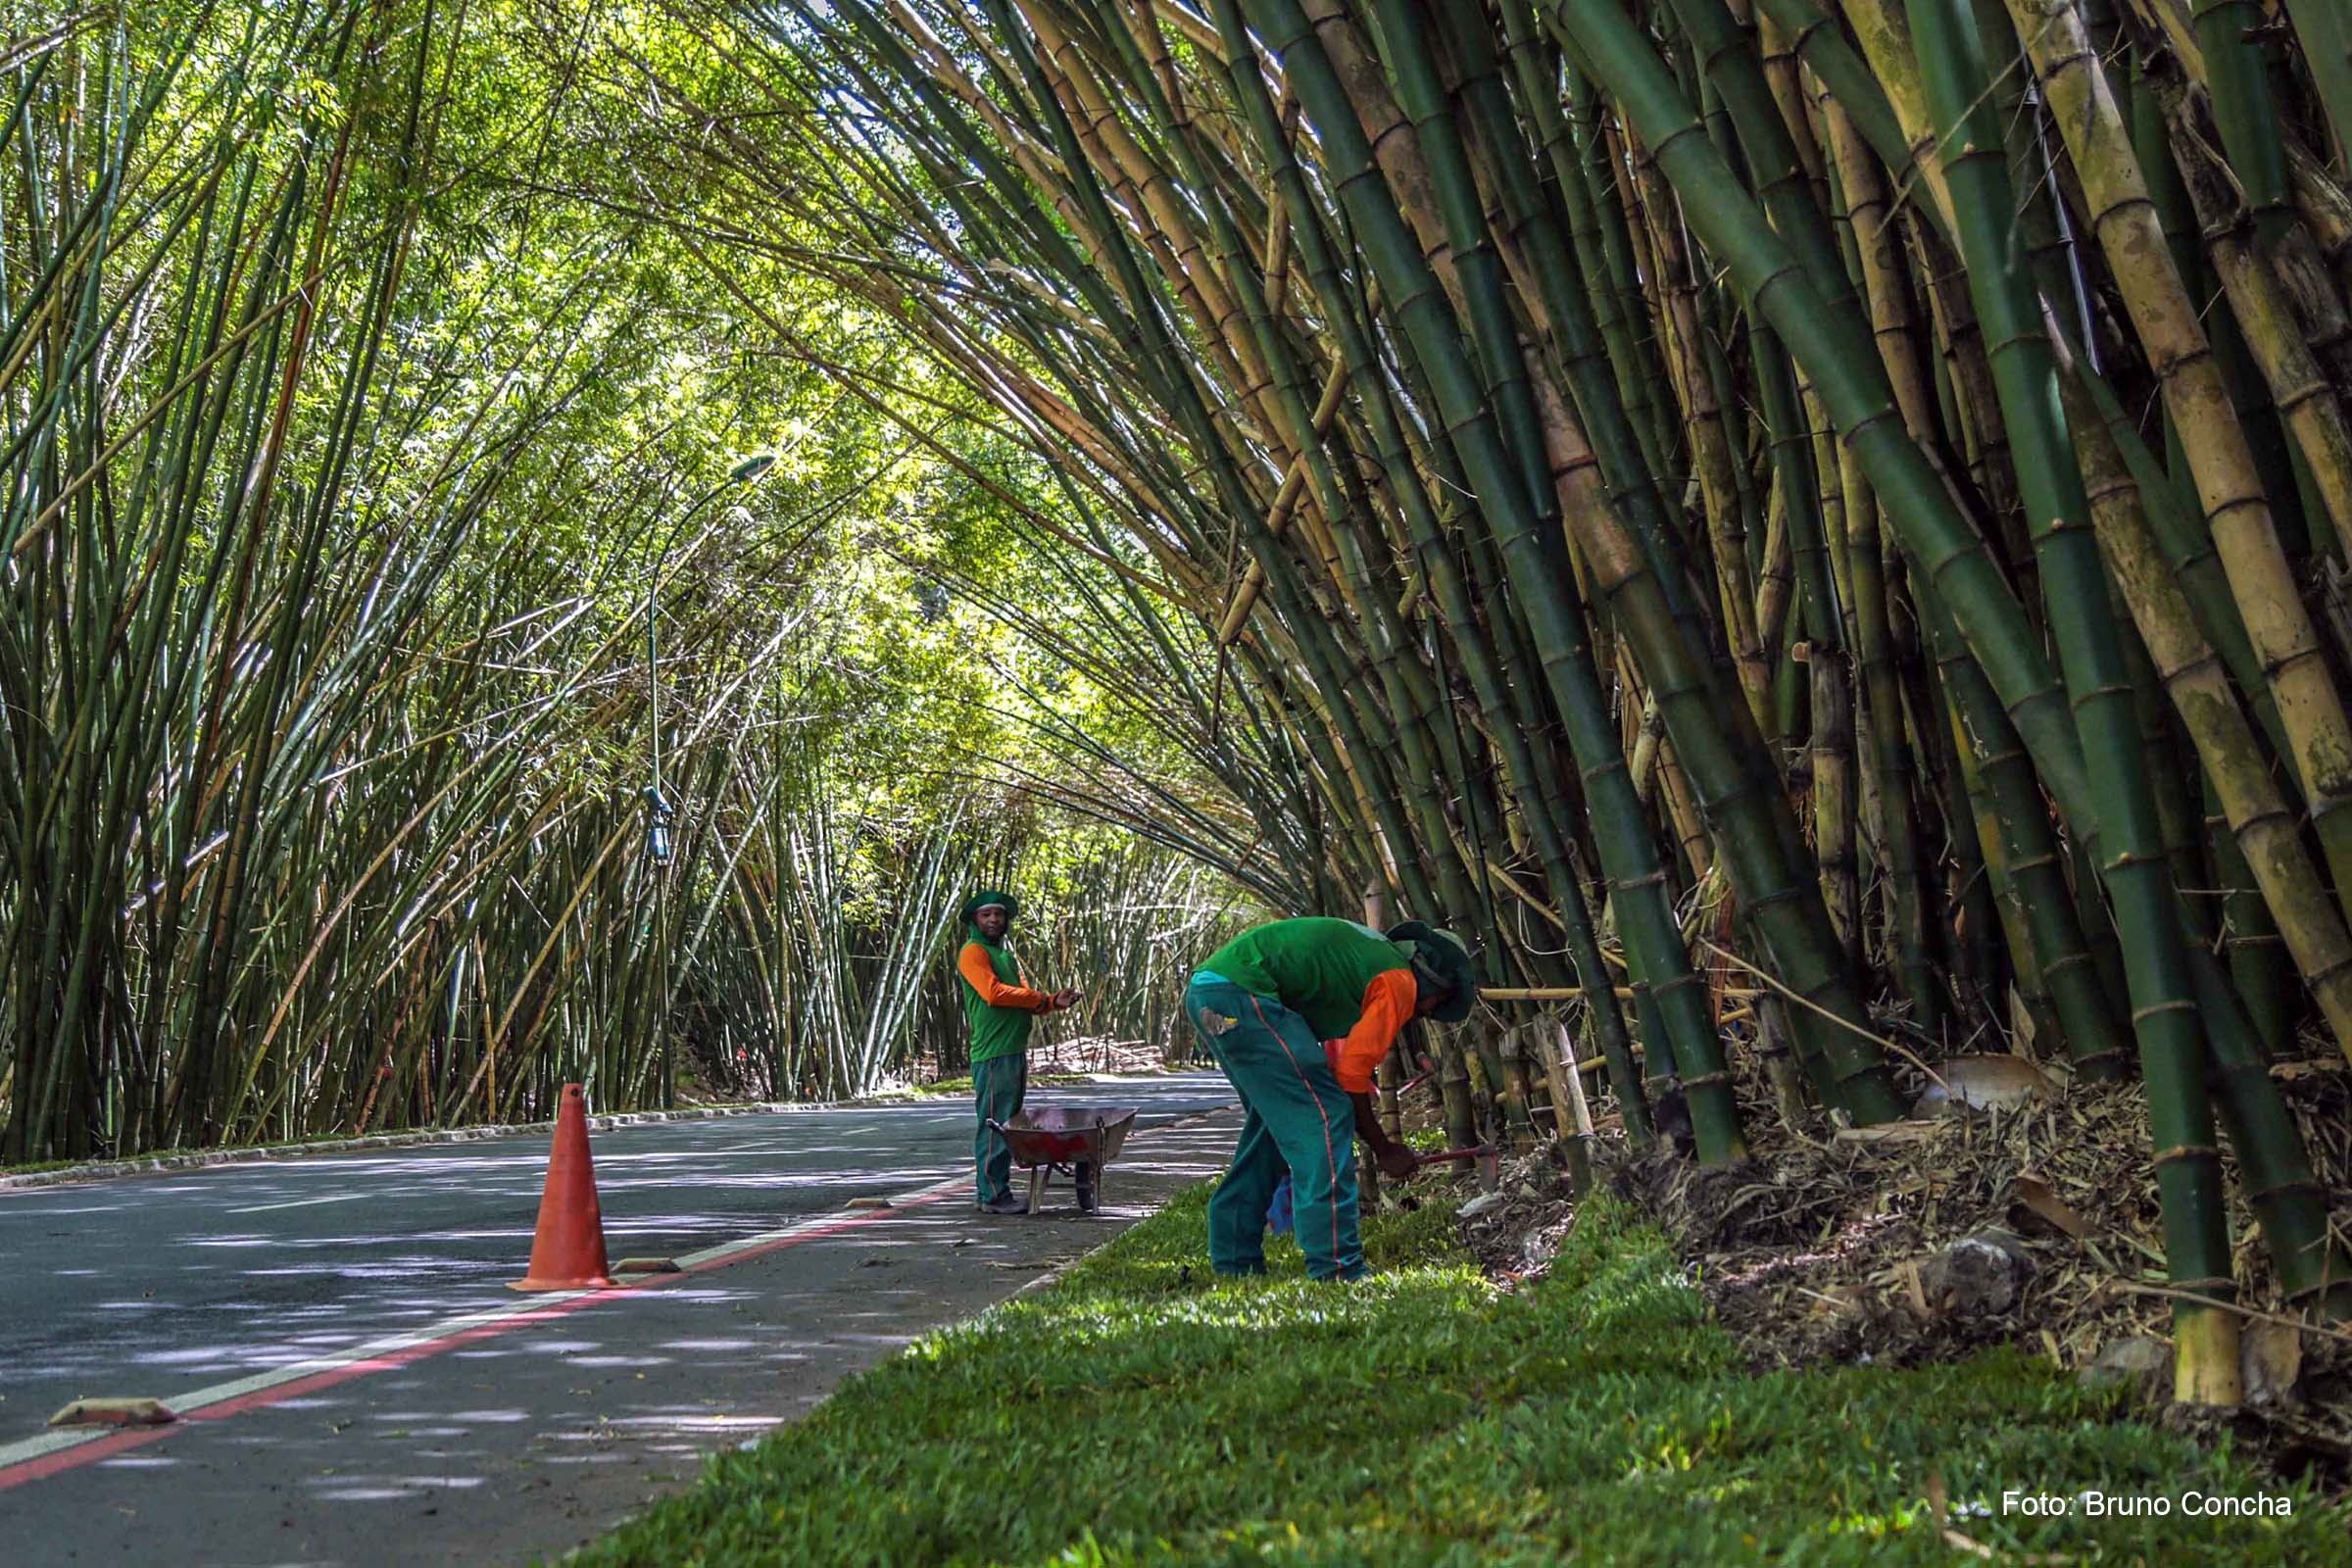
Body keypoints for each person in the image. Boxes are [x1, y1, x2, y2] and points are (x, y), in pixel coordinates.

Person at [1184, 917, 1476, 1280]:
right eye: (1438, 1002)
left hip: (1209, 994)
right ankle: (1337, 1268)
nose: (1429, 1013)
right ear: (1434, 979)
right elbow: (1351, 1080)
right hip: (1242, 995)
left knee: (1279, 1126)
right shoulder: (1399, 981)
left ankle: (1235, 1261)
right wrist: (1385, 1150)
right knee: (1328, 1115)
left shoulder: (1370, 956)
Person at [955, 890, 1082, 1214]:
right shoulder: (973, 952)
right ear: (974, 920)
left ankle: (995, 1190)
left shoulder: (1006, 957)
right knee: (994, 1124)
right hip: (993, 1052)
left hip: (1012, 1050)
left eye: (999, 914)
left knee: (1006, 1123)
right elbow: (994, 994)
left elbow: (1023, 997)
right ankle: (993, 1195)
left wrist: (1052, 1001)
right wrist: (1039, 997)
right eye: (986, 915)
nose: (994, 919)